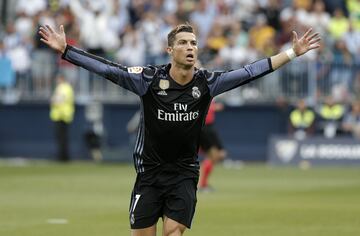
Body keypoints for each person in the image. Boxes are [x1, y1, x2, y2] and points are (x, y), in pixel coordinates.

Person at [39, 23, 320, 236]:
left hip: (183, 174)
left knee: (173, 231)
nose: (190, 47)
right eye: (183, 43)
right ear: (170, 50)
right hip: (148, 174)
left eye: (194, 43)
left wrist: (292, 52)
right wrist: (67, 51)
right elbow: (109, 70)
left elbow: (251, 71)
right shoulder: (148, 79)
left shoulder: (207, 82)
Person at [198, 100, 226, 192]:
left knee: (216, 156)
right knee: (214, 156)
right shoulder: (201, 93)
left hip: (209, 128)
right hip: (205, 128)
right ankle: (202, 184)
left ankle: (203, 184)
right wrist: (214, 107)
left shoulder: (210, 95)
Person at [50, 74, 74, 162]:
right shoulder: (66, 87)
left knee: (61, 138)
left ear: (61, 79)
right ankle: (64, 156)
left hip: (62, 115)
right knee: (63, 138)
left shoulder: (63, 88)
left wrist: (53, 100)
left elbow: (58, 100)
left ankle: (62, 157)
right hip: (64, 115)